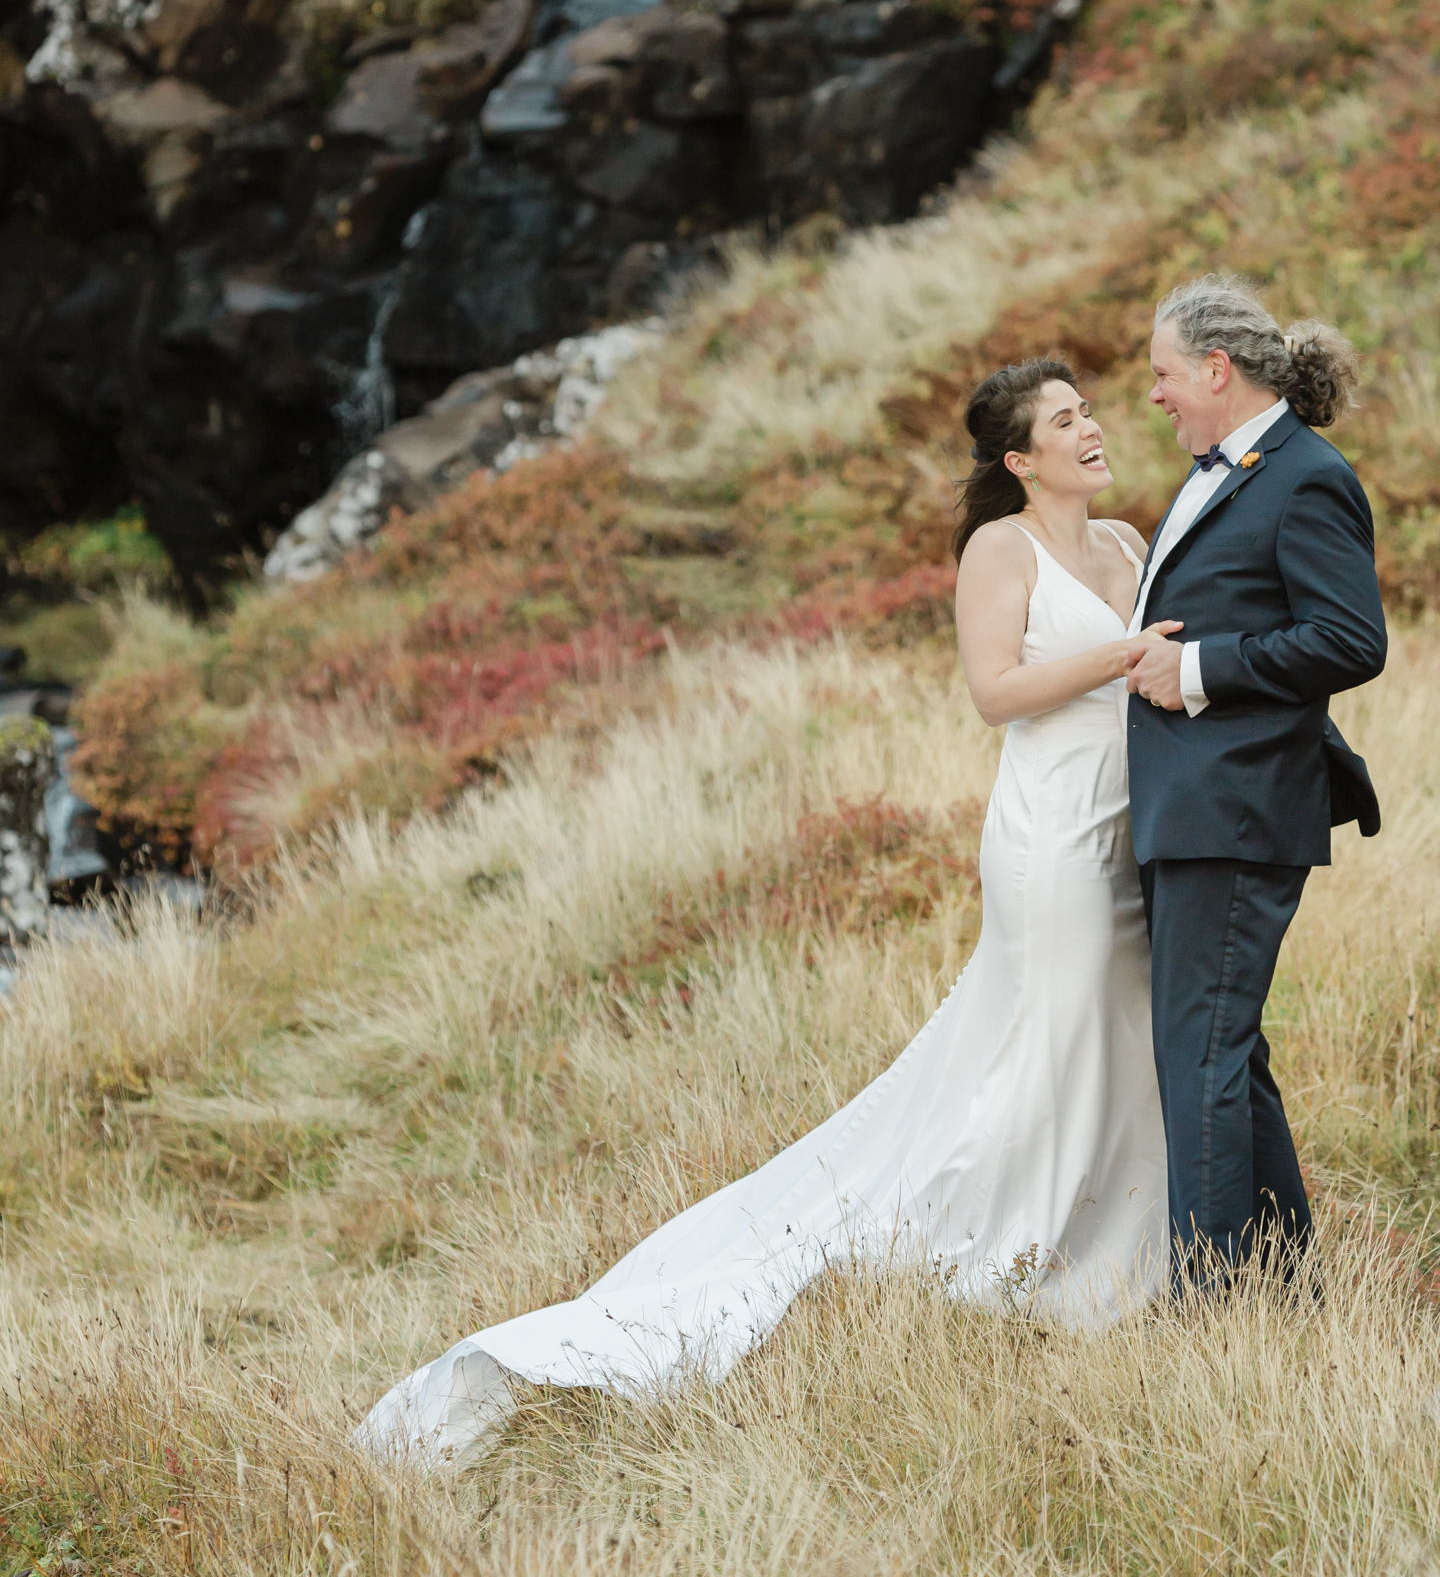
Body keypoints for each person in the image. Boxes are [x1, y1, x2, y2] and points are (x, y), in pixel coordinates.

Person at [356, 358, 1177, 1469]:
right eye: (1066, 421)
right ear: (1019, 459)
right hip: (1049, 834)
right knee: (1054, 1025)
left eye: (1090, 410)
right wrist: (1125, 652)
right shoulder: (1001, 549)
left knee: (1117, 1027)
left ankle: (1118, 1237)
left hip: (1124, 823)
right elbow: (993, 693)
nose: (1094, 429)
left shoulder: (1127, 542)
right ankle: (999, 1252)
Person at [1125, 275, 1386, 1292]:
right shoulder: (1221, 471)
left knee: (1201, 1058)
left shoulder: (1304, 476)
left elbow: (1349, 639)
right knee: (1224, 1049)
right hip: (1190, 808)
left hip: (1236, 809)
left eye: (1162, 373)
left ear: (1216, 370)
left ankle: (1215, 1305)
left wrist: (1196, 672)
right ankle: (1282, 1281)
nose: (1154, 395)